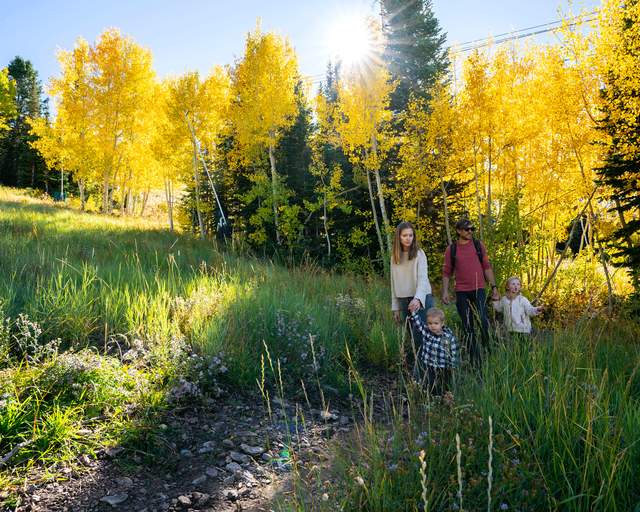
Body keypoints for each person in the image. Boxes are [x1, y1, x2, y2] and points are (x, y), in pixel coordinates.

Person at [441, 219, 499, 367]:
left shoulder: (478, 245)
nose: (470, 232)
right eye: (467, 229)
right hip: (462, 292)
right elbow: (447, 272)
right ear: (459, 231)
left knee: (484, 322)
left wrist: (494, 287)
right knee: (468, 326)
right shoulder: (452, 249)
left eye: (472, 229)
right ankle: (475, 361)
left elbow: (486, 266)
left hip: (479, 289)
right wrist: (445, 291)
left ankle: (489, 354)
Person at [391, 222, 434, 360]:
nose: (408, 238)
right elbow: (393, 283)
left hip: (421, 298)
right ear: (399, 237)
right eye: (404, 235)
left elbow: (423, 278)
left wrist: (418, 299)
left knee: (425, 335)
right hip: (404, 299)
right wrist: (395, 307)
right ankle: (418, 367)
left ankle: (430, 367)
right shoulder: (394, 257)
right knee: (413, 336)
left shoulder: (419, 254)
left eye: (410, 235)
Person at [408, 307, 459, 395]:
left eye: (436, 323)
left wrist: (453, 366)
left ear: (442, 323)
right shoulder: (427, 332)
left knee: (443, 384)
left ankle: (445, 397)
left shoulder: (448, 337)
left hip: (443, 367)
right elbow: (419, 324)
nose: (433, 326)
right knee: (429, 383)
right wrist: (413, 313)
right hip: (429, 365)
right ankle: (431, 396)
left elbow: (453, 352)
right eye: (430, 323)